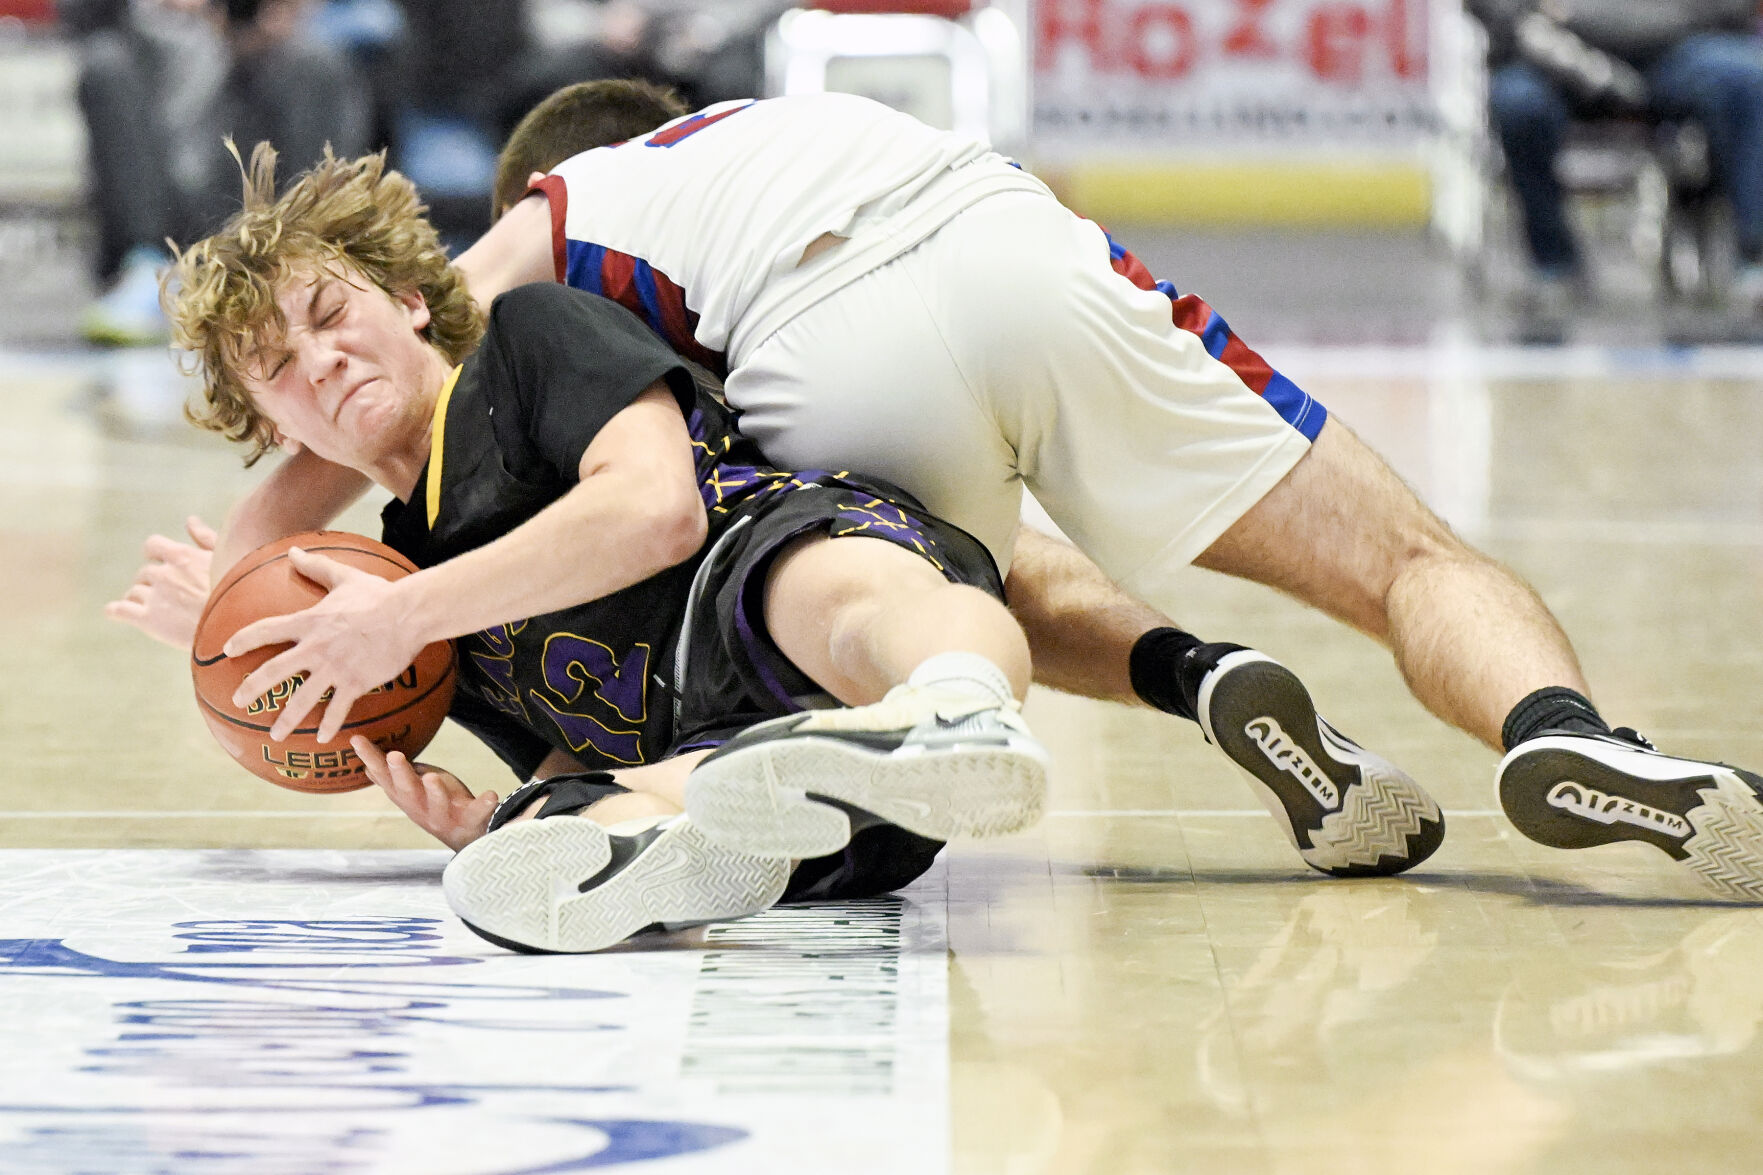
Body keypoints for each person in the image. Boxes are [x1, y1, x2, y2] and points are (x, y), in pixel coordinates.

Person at [185, 88, 1763, 901]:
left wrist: (239, 567)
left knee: (904, 584)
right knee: (1401, 556)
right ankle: (1565, 736)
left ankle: (1119, 684)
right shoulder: (779, 132)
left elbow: (374, 369)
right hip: (1006, 238)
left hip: (825, 337)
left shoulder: (549, 229)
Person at [164, 144, 1059, 952]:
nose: (318, 359)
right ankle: (676, 841)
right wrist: (487, 820)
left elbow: (653, 509)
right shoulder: (393, 585)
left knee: (818, 592)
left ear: (408, 303)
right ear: (273, 428)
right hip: (777, 794)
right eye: (276, 367)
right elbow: (566, 752)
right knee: (550, 823)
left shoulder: (529, 338)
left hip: (762, 574)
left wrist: (399, 618)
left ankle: (955, 707)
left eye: (329, 314)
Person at [64, 0, 370, 345]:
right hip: (154, 73)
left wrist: (265, 19)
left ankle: (297, 269)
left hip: (251, 98)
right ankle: (146, 268)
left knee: (315, 66)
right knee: (106, 66)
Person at [1466, 0, 1763, 317]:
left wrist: (1656, 22)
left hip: (1666, 47)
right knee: (1518, 102)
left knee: (1748, 78)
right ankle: (1553, 263)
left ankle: (1753, 259)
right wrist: (1533, 19)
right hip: (1554, 54)